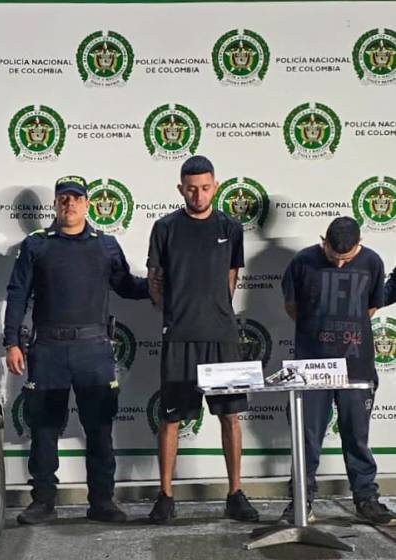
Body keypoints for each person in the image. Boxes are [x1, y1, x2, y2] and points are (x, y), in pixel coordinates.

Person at [4, 175, 150, 525]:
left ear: (87, 204)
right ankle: (43, 501)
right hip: (48, 349)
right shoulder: (36, 245)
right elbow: (17, 293)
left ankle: (102, 501)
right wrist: (11, 342)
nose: (69, 204)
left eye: (76, 198)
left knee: (99, 429)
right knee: (44, 429)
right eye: (63, 198)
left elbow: (126, 286)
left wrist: (162, 285)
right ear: (55, 204)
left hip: (93, 349)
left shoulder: (106, 245)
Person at [146, 155, 259, 524]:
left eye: (205, 188)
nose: (198, 195)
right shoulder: (165, 227)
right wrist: (177, 315)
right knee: (171, 420)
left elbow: (231, 278)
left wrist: (216, 313)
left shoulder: (231, 227)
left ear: (216, 187)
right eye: (192, 189)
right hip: (180, 338)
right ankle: (165, 496)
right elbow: (155, 281)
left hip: (222, 338)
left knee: (230, 417)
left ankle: (235, 494)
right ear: (181, 189)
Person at [281, 216, 394, 524]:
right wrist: (318, 332)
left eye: (348, 258)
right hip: (310, 366)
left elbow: (369, 308)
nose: (341, 264)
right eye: (334, 257)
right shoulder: (302, 261)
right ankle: (301, 501)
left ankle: (366, 499)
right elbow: (292, 306)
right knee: (306, 439)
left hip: (356, 367)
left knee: (357, 438)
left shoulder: (372, 262)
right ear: (324, 242)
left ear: (359, 245)